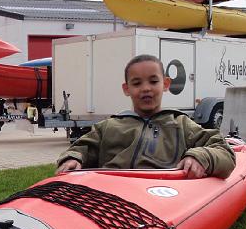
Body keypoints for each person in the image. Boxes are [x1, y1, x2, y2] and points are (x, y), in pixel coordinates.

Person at [56, 54, 235, 179]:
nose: (146, 88)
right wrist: (73, 158)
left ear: (166, 84)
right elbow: (81, 148)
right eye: (137, 83)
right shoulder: (108, 127)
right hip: (112, 193)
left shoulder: (181, 125)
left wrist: (200, 156)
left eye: (153, 81)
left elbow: (224, 151)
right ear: (126, 89)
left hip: (161, 195)